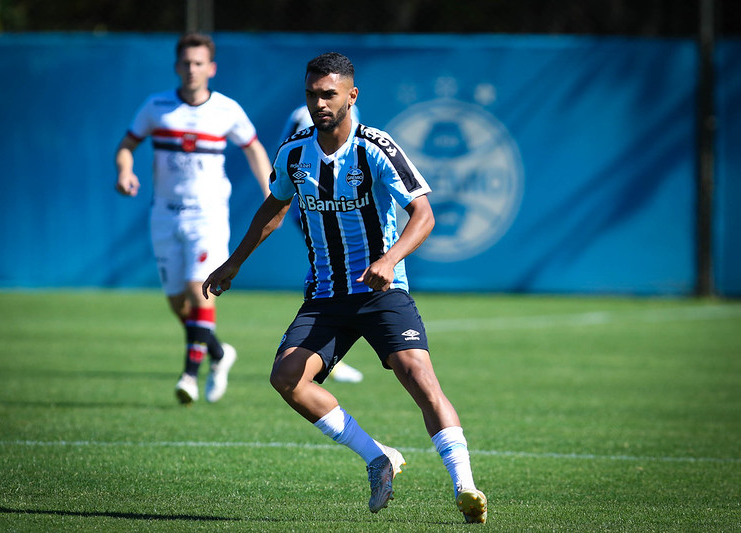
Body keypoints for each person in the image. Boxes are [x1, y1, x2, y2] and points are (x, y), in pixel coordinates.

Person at [202, 52, 487, 523]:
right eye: (312, 95)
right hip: (326, 297)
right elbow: (274, 207)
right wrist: (233, 264)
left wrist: (389, 260)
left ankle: (466, 487)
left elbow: (424, 214)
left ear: (351, 96)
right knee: (286, 378)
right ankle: (379, 457)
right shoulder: (295, 152)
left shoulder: (374, 147)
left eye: (328, 94)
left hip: (382, 291)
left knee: (419, 376)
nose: (319, 103)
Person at [115, 32, 272, 405]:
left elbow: (254, 149)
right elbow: (127, 145)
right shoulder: (156, 106)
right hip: (164, 215)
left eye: (199, 62)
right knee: (176, 303)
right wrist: (124, 171)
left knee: (197, 286)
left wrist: (270, 190)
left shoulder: (227, 110)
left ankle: (189, 374)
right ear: (176, 66)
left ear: (211, 68)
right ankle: (219, 353)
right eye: (186, 62)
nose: (191, 69)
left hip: (209, 214)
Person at [277, 103, 365, 385]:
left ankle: (326, 349)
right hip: (314, 205)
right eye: (315, 93)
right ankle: (321, 347)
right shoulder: (301, 115)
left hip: (342, 203)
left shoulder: (354, 117)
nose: (322, 102)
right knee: (327, 268)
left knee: (335, 270)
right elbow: (287, 152)